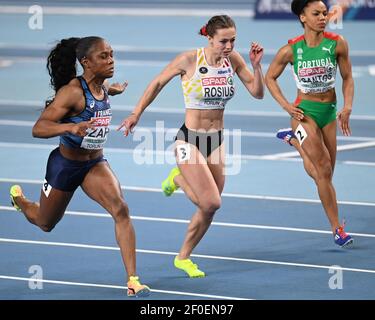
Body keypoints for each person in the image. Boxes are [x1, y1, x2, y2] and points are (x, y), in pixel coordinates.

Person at [118, 15, 265, 277]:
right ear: (209, 38)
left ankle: (183, 257)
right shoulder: (189, 59)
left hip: (216, 140)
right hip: (190, 139)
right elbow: (157, 83)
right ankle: (178, 178)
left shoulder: (234, 60)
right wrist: (136, 114)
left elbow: (257, 92)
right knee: (212, 203)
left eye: (233, 40)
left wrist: (256, 67)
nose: (229, 46)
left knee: (207, 207)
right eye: (223, 41)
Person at [9, 36, 150, 296]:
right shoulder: (72, 92)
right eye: (104, 57)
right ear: (86, 62)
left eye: (112, 54)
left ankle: (133, 279)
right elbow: (38, 128)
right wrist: (71, 126)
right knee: (45, 223)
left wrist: (113, 91)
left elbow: (101, 95)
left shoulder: (102, 85)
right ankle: (20, 202)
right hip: (65, 166)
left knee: (121, 209)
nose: (111, 61)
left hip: (94, 164)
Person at [265, 0, 354, 247]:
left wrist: (347, 107)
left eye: (325, 13)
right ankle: (337, 229)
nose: (322, 17)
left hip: (329, 112)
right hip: (304, 113)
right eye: (316, 14)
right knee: (323, 168)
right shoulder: (291, 50)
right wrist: (286, 105)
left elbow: (347, 77)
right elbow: (270, 77)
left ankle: (294, 141)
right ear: (303, 17)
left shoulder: (337, 44)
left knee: (324, 175)